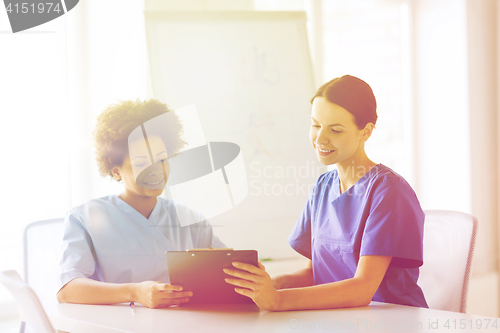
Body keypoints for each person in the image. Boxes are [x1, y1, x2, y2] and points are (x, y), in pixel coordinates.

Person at [224, 75, 428, 311]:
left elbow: (363, 289)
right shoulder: (323, 186)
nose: (320, 138)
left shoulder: (388, 190)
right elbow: (315, 273)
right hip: (341, 319)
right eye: (316, 125)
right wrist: (265, 286)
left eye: (336, 130)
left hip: (392, 320)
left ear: (366, 132)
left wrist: (278, 300)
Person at [56, 99, 225, 308]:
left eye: (162, 159)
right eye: (141, 163)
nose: (156, 171)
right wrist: (134, 292)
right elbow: (68, 290)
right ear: (116, 170)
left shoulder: (191, 220)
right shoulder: (85, 218)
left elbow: (230, 275)